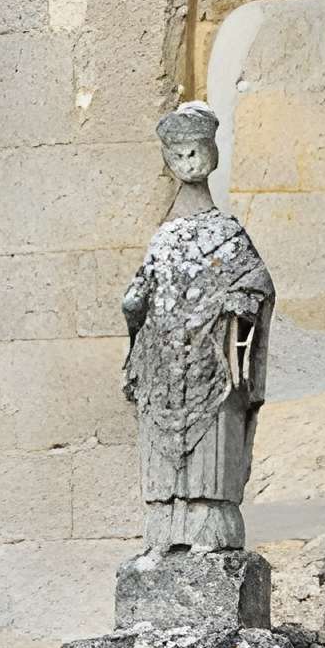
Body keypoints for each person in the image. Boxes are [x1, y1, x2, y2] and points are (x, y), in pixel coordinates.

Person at [120, 103, 273, 558]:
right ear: (169, 159)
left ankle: (210, 522)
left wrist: (235, 307)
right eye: (178, 151)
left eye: (197, 148)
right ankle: (164, 524)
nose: (188, 158)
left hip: (212, 360)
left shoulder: (228, 234)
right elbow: (142, 292)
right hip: (164, 364)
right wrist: (135, 308)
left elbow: (256, 284)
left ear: (211, 152)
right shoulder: (163, 239)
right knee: (163, 452)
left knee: (211, 445)